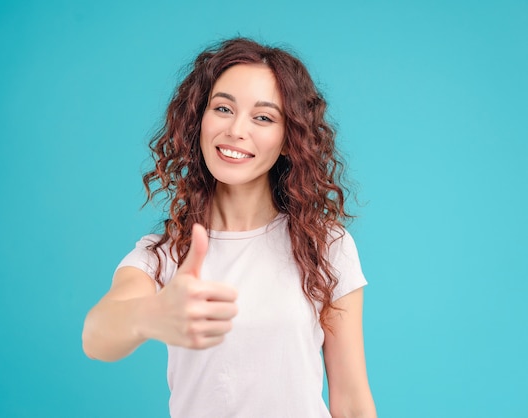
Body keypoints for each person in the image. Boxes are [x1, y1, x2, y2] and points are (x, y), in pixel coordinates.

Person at [82, 37, 377, 418]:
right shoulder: (167, 254)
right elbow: (95, 336)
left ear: (289, 139)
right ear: (198, 120)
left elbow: (351, 402)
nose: (237, 130)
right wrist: (151, 315)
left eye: (264, 117)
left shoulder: (325, 246)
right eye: (223, 108)